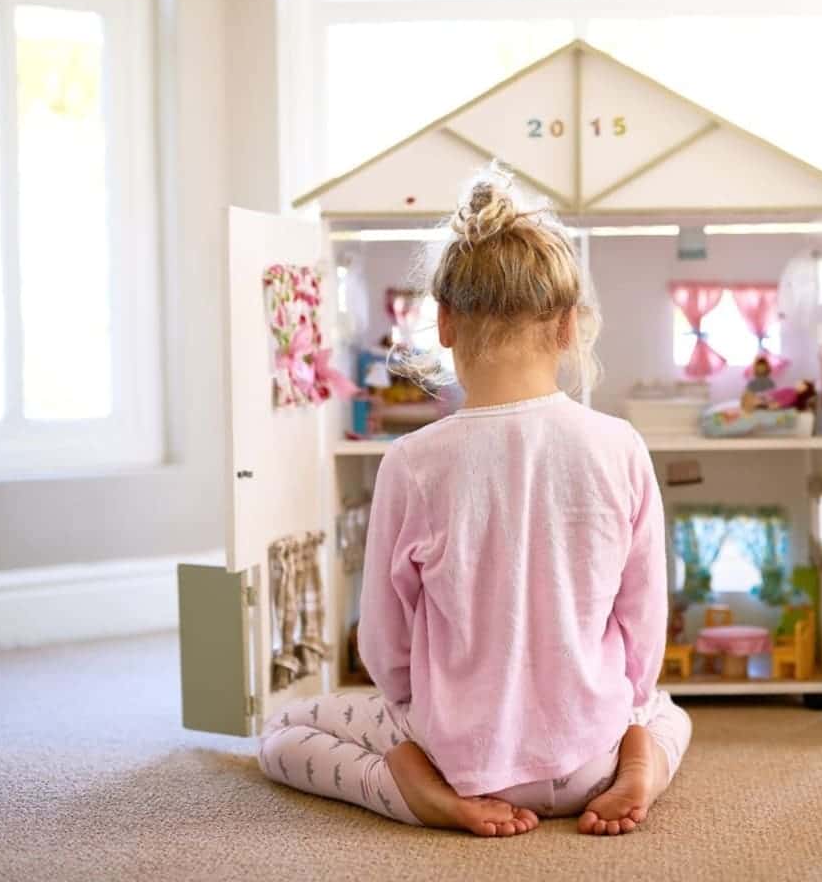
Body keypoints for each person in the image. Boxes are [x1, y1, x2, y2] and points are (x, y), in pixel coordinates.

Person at [257, 166, 691, 837]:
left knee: (282, 730)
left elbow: (383, 643)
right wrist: (625, 711)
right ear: (569, 326)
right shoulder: (620, 445)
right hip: (592, 758)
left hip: (455, 757)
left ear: (446, 323)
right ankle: (641, 768)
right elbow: (643, 625)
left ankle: (411, 788)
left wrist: (408, 708)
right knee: (668, 713)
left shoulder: (411, 462)